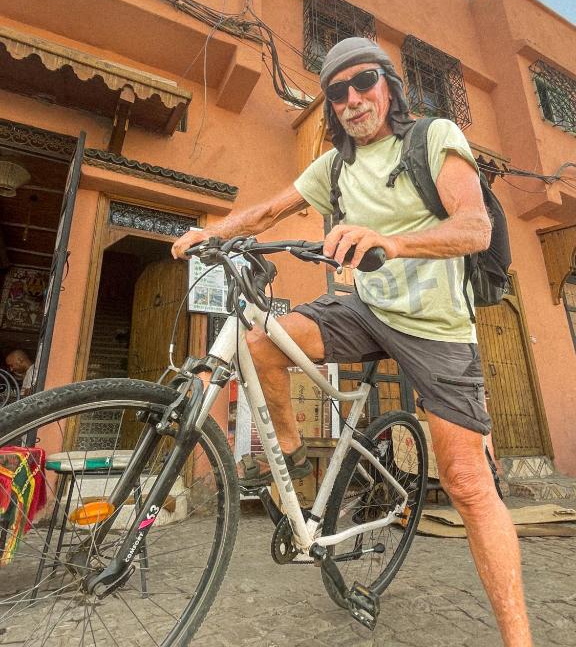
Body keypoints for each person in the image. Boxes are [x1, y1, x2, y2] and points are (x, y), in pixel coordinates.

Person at [172, 37, 532, 646]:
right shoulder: (333, 166)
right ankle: (286, 446)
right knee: (261, 342)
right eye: (337, 91)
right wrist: (211, 230)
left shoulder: (433, 137)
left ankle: (518, 639)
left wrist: (393, 242)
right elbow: (268, 212)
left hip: (439, 327)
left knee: (468, 482)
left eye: (364, 82)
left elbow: (475, 226)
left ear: (389, 85)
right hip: (365, 309)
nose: (352, 99)